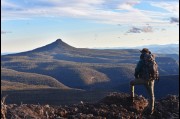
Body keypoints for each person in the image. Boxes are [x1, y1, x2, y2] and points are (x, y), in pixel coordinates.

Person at [130, 48, 155, 115]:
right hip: (152, 79)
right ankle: (151, 110)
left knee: (131, 83)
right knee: (151, 95)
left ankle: (131, 98)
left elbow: (137, 69)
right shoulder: (152, 59)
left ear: (143, 52)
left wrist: (136, 76)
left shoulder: (142, 60)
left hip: (144, 79)